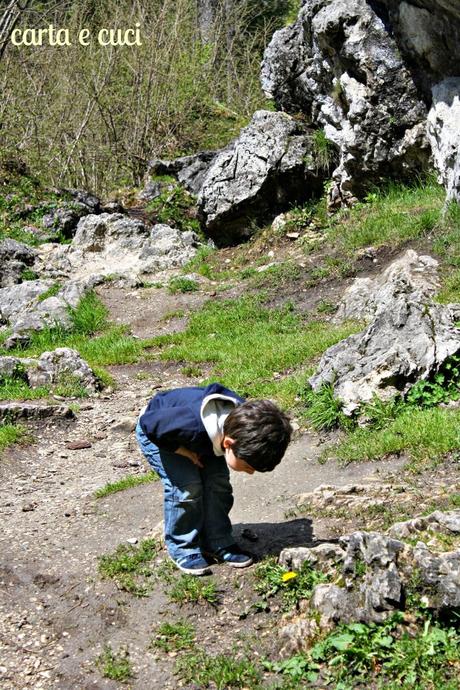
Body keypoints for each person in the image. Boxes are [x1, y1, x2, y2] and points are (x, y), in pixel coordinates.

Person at [136, 382, 292, 576]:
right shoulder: (190, 424)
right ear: (228, 444)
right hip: (161, 434)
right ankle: (182, 546)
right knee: (187, 487)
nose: (250, 473)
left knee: (217, 484)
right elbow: (150, 425)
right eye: (248, 467)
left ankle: (217, 540)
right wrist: (183, 451)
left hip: (201, 439)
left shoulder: (244, 427)